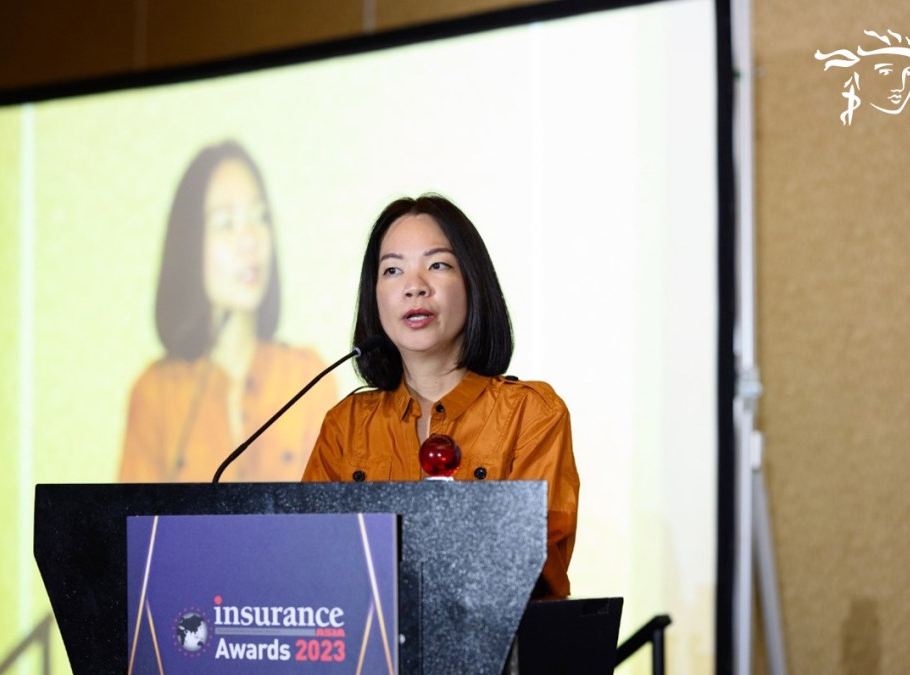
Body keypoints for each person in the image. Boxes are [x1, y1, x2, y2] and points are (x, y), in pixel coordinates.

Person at [302, 195, 579, 598]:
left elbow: (537, 570)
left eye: (437, 265)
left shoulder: (531, 414)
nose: (414, 287)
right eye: (392, 270)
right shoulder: (346, 426)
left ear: (472, 283)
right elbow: (311, 565)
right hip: (368, 638)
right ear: (374, 295)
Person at [119, 141, 335, 482]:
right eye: (225, 223)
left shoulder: (306, 380)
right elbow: (132, 517)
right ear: (190, 245)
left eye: (259, 217)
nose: (250, 240)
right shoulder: (156, 395)